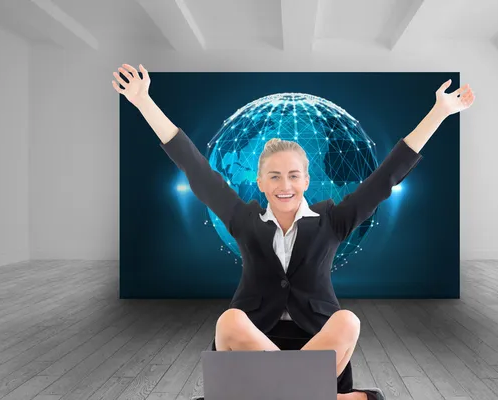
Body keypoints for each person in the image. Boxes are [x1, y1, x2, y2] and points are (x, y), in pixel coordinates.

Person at [112, 64, 475, 400]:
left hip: (317, 343)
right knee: (230, 320)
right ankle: (309, 395)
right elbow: (193, 166)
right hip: (252, 338)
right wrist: (143, 101)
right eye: (274, 175)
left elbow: (387, 177)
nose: (284, 184)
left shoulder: (333, 220)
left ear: (307, 179)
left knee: (347, 321)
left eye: (293, 175)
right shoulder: (243, 219)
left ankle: (272, 394)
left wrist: (440, 111)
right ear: (260, 182)